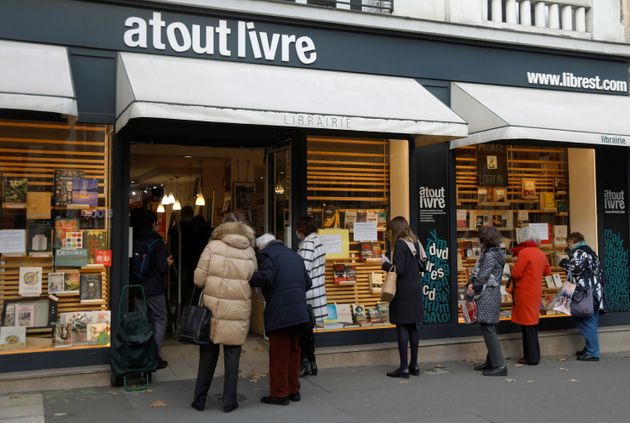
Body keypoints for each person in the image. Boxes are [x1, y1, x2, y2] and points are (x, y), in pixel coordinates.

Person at [191, 213, 257, 413]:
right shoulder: (249, 251)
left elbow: (198, 280)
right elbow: (253, 277)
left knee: (208, 355)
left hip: (213, 309)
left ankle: (200, 400)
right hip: (238, 309)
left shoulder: (212, 247)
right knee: (233, 355)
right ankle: (229, 402)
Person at [250, 233, 312, 406]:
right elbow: (308, 283)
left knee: (279, 353)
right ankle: (294, 390)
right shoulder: (294, 255)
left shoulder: (266, 254)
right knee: (294, 351)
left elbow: (266, 277)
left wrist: (249, 278)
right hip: (299, 311)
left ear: (261, 247)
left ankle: (279, 393)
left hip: (280, 313)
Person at [380, 216, 427, 378]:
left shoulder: (400, 243)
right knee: (413, 326)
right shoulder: (415, 242)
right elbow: (423, 265)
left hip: (403, 289)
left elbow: (398, 270)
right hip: (415, 287)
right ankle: (414, 365)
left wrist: (385, 264)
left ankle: (403, 367)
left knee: (401, 326)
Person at [130, 208, 173, 370]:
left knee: (140, 319)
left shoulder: (133, 236)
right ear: (151, 223)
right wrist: (168, 263)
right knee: (160, 318)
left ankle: (138, 354)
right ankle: (154, 355)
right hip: (154, 287)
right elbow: (162, 267)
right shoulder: (156, 240)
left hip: (136, 285)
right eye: (155, 222)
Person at [467, 225, 507, 376]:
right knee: (489, 327)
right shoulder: (496, 253)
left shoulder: (490, 255)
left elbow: (483, 276)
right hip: (492, 293)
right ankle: (491, 362)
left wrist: (473, 287)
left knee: (488, 328)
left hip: (487, 294)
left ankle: (499, 366)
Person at [559, 232, 605, 361]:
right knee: (592, 320)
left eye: (568, 243)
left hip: (585, 293)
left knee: (586, 320)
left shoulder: (579, 252)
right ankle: (589, 348)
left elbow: (576, 269)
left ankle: (593, 352)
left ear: (572, 242)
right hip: (595, 292)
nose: (568, 246)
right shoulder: (590, 251)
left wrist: (563, 263)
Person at [508, 227, 551, 365]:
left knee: (527, 326)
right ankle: (530, 356)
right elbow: (547, 272)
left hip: (524, 292)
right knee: (530, 325)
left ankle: (531, 357)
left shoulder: (524, 252)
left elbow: (516, 273)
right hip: (535, 291)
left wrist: (512, 267)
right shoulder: (540, 253)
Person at [296, 216, 327, 377]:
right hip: (317, 291)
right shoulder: (318, 241)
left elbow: (304, 269)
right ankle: (312, 363)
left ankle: (305, 363)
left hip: (308, 293)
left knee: (302, 331)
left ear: (302, 230)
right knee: (308, 331)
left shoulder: (308, 243)